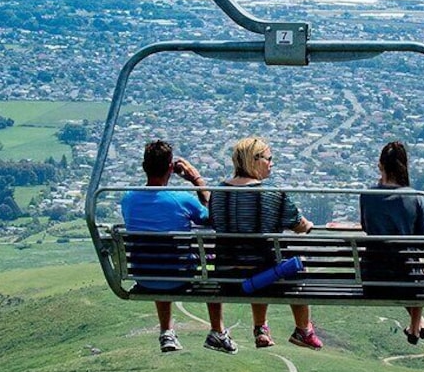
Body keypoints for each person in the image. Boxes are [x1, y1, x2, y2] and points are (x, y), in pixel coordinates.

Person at [121, 140, 237, 354]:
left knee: (156, 254)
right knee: (212, 260)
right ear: (171, 168)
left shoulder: (128, 199)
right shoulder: (181, 199)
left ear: (144, 167)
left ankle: (167, 331)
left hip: (144, 276)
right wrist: (196, 180)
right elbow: (216, 217)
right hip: (179, 278)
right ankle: (217, 331)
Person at [209, 137, 322, 350]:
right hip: (264, 279)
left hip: (226, 277)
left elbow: (214, 221)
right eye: (269, 159)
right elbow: (300, 226)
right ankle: (303, 329)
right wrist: (308, 224)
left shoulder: (218, 193)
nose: (271, 164)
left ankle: (261, 328)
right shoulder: (271, 194)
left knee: (257, 260)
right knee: (291, 264)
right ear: (256, 160)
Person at [360, 141, 424, 345]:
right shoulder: (416, 198)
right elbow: (421, 243)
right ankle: (416, 326)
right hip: (406, 279)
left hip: (372, 279)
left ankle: (417, 326)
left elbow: (366, 227)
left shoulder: (367, 195)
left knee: (398, 265)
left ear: (380, 166)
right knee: (415, 266)